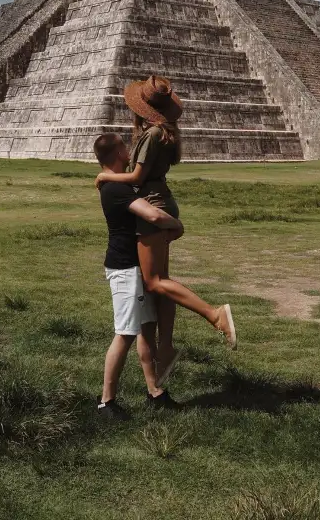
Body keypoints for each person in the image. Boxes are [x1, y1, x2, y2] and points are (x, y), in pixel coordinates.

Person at [96, 74, 237, 386]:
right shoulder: (164, 133)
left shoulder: (151, 135)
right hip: (163, 201)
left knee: (155, 281)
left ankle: (215, 315)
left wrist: (104, 178)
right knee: (160, 282)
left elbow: (134, 179)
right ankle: (167, 346)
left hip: (153, 208)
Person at [94, 132, 183, 420]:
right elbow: (154, 216)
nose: (130, 149)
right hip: (124, 269)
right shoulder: (115, 189)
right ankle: (106, 401)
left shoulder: (117, 185)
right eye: (125, 145)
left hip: (134, 268)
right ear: (119, 153)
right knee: (124, 333)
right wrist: (177, 224)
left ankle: (154, 392)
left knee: (146, 327)